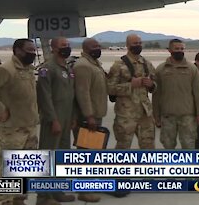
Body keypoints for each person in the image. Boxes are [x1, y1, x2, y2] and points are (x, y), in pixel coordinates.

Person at [0, 39, 39, 205]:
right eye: (29, 50)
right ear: (18, 51)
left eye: (34, 50)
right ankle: (4, 200)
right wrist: (0, 110)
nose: (33, 53)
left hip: (29, 126)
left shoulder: (27, 69)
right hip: (13, 129)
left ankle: (19, 198)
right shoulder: (7, 69)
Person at [36, 37, 75, 205]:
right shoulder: (47, 68)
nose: (66, 48)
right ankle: (43, 197)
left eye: (67, 45)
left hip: (66, 119)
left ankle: (57, 191)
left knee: (61, 156)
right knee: (48, 156)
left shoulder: (67, 67)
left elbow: (70, 96)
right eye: (62, 46)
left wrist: (72, 118)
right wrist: (53, 120)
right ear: (53, 49)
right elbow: (44, 97)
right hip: (53, 120)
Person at [153, 39, 199, 149]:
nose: (180, 51)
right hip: (167, 116)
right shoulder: (161, 69)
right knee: (168, 145)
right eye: (176, 49)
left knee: (188, 145)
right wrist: (156, 115)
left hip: (187, 116)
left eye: (182, 49)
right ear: (170, 50)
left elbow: (198, 93)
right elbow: (156, 95)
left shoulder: (192, 69)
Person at [73, 38, 107, 203]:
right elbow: (82, 93)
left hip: (95, 116)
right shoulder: (83, 66)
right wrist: (89, 116)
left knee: (92, 154)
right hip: (88, 119)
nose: (98, 48)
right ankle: (84, 191)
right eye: (94, 46)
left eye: (99, 45)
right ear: (85, 48)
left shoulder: (94, 63)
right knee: (86, 155)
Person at [107, 34, 156, 149]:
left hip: (145, 114)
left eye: (139, 43)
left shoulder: (146, 64)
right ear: (128, 45)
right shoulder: (118, 65)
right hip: (126, 114)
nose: (138, 46)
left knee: (148, 146)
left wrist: (152, 85)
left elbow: (156, 83)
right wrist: (130, 85)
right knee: (123, 147)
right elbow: (110, 88)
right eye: (135, 44)